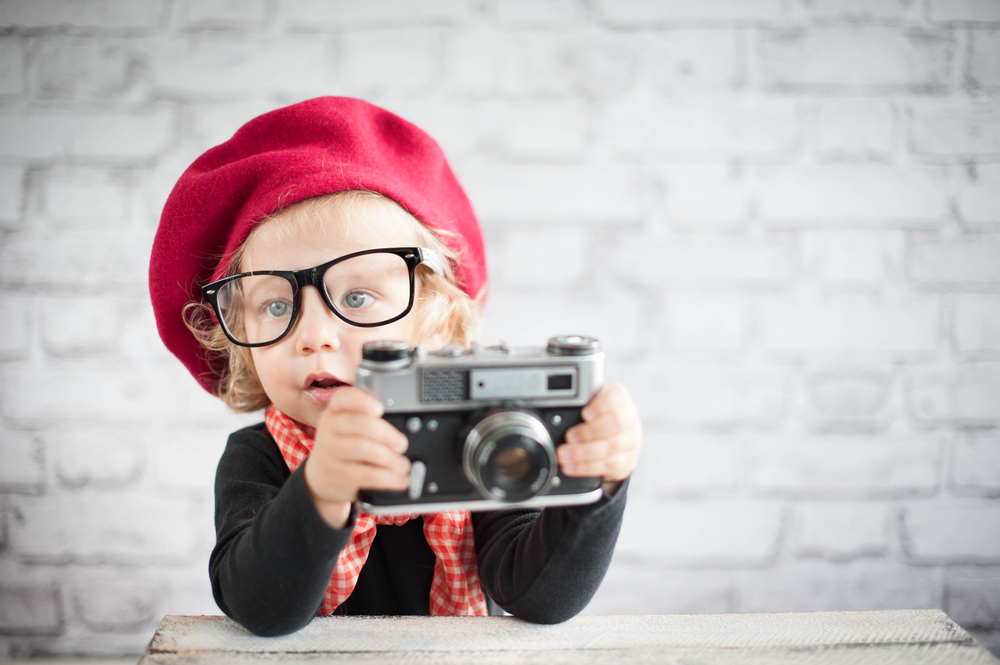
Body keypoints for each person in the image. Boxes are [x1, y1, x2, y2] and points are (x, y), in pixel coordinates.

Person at [149, 96, 642, 637]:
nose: (313, 335)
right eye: (276, 306)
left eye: (357, 298)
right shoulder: (259, 457)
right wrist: (322, 489)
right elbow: (261, 608)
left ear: (434, 322)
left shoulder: (478, 438)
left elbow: (540, 598)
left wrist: (596, 482)